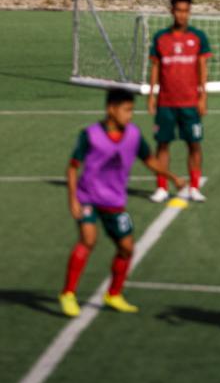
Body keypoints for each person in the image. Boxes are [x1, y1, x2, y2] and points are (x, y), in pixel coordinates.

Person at [60, 89, 185, 317]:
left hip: (114, 200)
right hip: (88, 197)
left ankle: (113, 294)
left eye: (131, 110)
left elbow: (149, 160)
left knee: (127, 248)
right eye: (126, 110)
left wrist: (172, 176)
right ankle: (68, 294)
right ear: (111, 109)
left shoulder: (134, 135)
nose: (130, 115)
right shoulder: (90, 135)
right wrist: (73, 199)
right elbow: (72, 167)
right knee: (88, 240)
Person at [148, 0, 211, 203]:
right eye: (178, 10)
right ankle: (162, 187)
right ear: (172, 11)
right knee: (162, 144)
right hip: (166, 102)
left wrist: (203, 96)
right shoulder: (161, 38)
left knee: (194, 144)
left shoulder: (198, 37)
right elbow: (155, 67)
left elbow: (202, 67)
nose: (182, 15)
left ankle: (194, 187)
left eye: (186, 11)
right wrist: (151, 95)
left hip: (190, 103)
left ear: (189, 13)